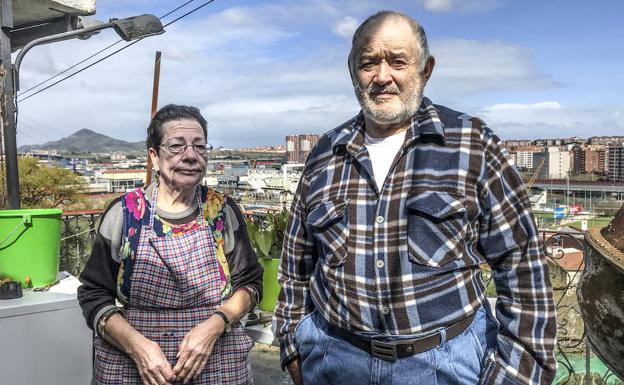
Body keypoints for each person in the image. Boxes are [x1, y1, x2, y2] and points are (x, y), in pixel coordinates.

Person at [274, 10, 557, 385]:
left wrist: (516, 373)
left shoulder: (472, 143)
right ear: (351, 71)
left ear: (426, 69)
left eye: (397, 61)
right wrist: (293, 346)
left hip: (445, 364)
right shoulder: (326, 152)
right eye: (368, 63)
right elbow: (296, 264)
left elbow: (522, 267)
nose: (382, 76)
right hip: (333, 361)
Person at [78, 104, 263, 385]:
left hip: (216, 359)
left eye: (199, 146)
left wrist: (215, 325)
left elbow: (250, 285)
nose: (190, 156)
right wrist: (138, 347)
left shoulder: (222, 211)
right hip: (135, 364)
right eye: (177, 146)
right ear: (154, 155)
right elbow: (94, 294)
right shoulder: (126, 213)